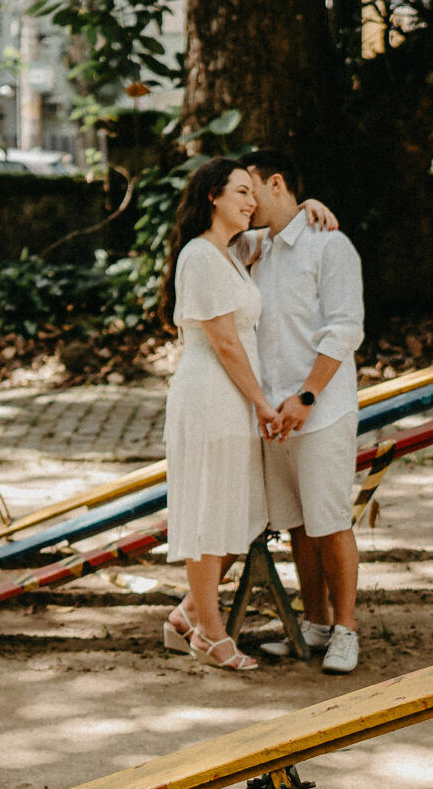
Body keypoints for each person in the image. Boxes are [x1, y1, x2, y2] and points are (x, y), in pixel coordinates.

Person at [238, 148, 367, 675]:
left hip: (321, 409)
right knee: (297, 524)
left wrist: (307, 397)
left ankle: (346, 629)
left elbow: (345, 329)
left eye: (249, 190)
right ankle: (314, 622)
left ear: (276, 184)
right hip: (273, 412)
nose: (244, 202)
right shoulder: (253, 247)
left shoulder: (329, 245)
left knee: (330, 521)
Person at [157, 157, 276, 671]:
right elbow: (226, 343)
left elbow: (281, 232)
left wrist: (311, 205)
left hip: (231, 397)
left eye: (254, 192)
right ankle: (209, 633)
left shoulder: (231, 253)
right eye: (241, 192)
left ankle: (189, 614)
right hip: (210, 393)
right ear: (212, 195)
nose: (252, 202)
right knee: (209, 512)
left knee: (239, 510)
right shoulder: (201, 256)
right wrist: (262, 404)